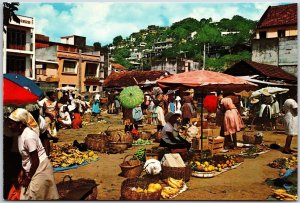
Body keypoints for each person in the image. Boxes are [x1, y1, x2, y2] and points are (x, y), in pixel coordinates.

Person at [8, 108, 59, 200]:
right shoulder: (20, 134)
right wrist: (23, 171)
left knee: (35, 195)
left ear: (20, 124)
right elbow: (26, 157)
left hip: (40, 167)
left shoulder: (28, 136)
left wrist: (28, 178)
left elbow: (35, 160)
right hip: (34, 167)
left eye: (11, 124)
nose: (9, 126)